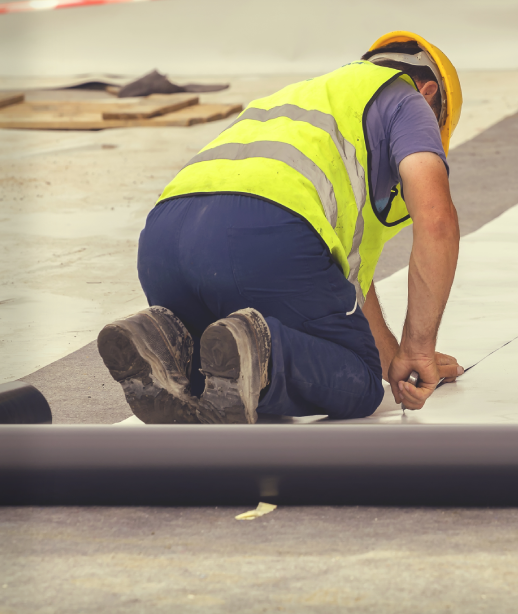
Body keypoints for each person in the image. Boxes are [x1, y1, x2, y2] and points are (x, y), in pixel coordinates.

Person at [97, 31, 464, 424]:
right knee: (356, 381)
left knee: (218, 362)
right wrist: (421, 352)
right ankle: (257, 349)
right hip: (264, 233)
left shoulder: (298, 98)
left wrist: (400, 362)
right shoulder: (408, 98)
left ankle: (163, 337)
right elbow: (437, 222)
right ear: (428, 93)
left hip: (163, 241)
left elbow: (351, 290)